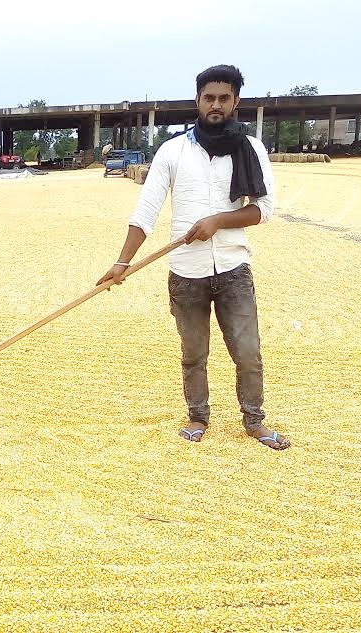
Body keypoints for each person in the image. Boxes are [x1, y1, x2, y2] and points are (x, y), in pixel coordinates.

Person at [98, 64, 290, 450]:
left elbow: (263, 209)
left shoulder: (251, 149)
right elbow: (146, 211)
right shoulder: (173, 150)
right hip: (186, 273)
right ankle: (197, 417)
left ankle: (254, 421)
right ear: (198, 100)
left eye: (224, 98)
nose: (216, 104)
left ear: (236, 101)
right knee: (194, 353)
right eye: (209, 97)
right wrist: (122, 263)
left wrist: (219, 220)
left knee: (248, 353)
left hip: (234, 269)